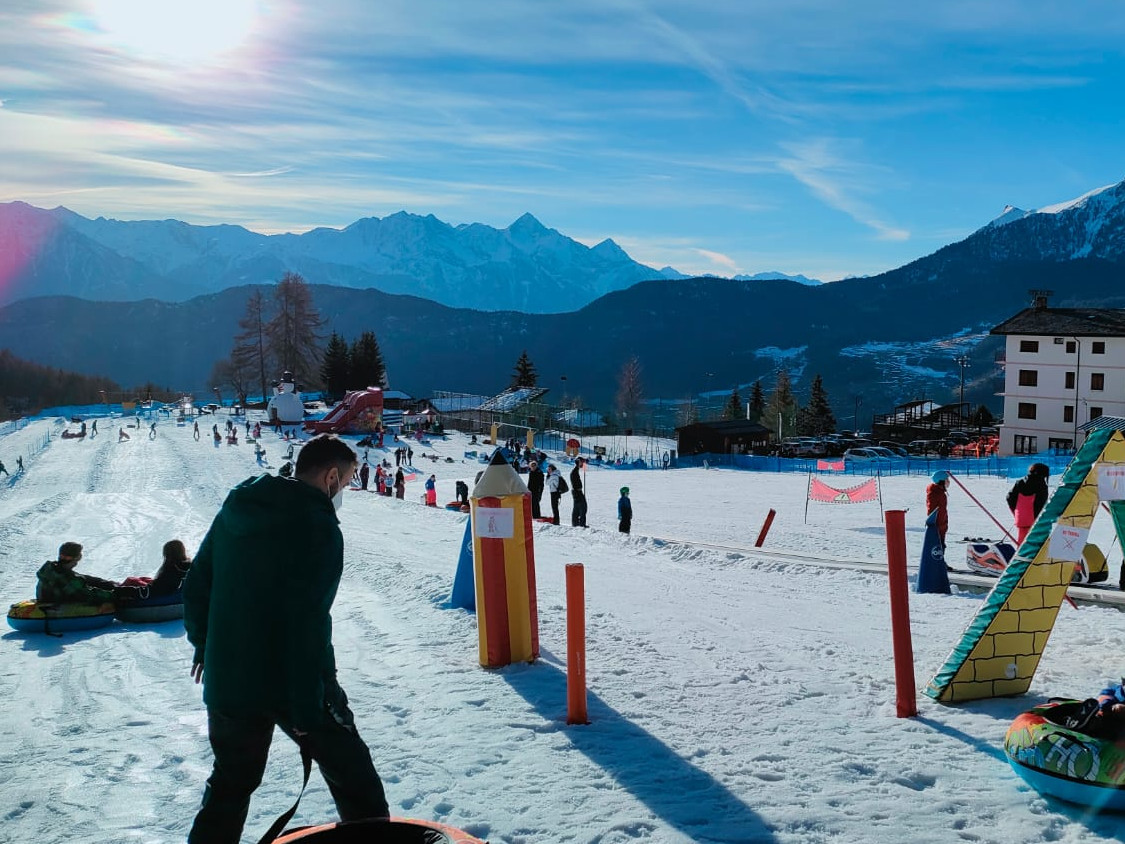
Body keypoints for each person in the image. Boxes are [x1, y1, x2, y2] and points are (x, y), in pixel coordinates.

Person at [183, 434, 389, 842]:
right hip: (292, 684)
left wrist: (207, 645)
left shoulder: (238, 506)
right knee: (355, 780)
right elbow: (307, 621)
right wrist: (311, 706)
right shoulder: (318, 526)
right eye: (346, 483)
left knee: (230, 785)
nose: (343, 492)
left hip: (229, 678)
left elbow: (196, 585)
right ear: (331, 477)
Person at [36, 542, 118, 604]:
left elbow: (81, 578)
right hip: (57, 607)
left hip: (47, 600)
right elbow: (87, 595)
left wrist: (106, 583)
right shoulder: (66, 578)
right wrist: (116, 594)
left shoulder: (51, 569)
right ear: (76, 558)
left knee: (92, 581)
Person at [1007, 462, 1049, 545]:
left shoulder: (1020, 482)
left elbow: (1009, 497)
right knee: (1035, 542)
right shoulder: (1041, 485)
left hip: (1021, 517)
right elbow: (1042, 502)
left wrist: (1016, 511)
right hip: (1035, 518)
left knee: (1021, 542)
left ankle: (1019, 556)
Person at [926, 470, 950, 548]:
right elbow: (932, 510)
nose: (948, 482)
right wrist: (934, 525)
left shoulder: (940, 492)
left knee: (941, 546)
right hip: (937, 527)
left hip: (942, 526)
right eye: (947, 480)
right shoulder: (935, 493)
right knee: (938, 547)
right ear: (941, 481)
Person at [570, 458, 587, 527]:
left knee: (576, 507)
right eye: (581, 463)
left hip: (576, 491)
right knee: (583, 507)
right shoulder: (574, 471)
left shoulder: (575, 471)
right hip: (577, 491)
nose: (582, 464)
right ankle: (581, 524)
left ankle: (575, 523)